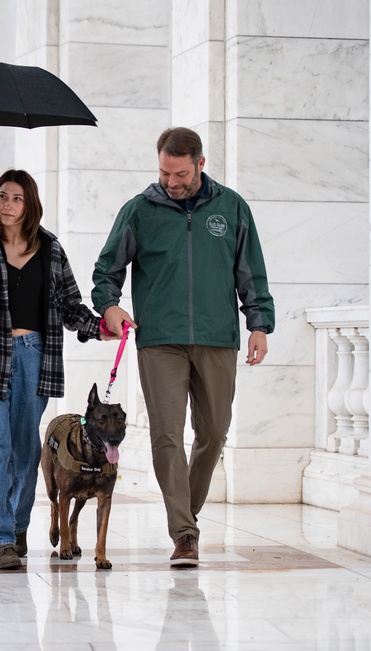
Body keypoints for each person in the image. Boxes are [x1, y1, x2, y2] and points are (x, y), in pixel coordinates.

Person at [92, 127, 275, 567]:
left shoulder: (231, 208)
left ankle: (184, 511)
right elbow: (106, 270)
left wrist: (259, 323)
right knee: (167, 437)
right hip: (160, 341)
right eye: (164, 172)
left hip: (217, 337)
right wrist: (110, 306)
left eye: (180, 174)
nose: (171, 182)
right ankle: (184, 533)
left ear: (200, 165)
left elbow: (251, 271)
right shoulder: (139, 211)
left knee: (213, 433)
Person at [0, 169, 111, 569]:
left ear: (30, 205)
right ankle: (1, 538)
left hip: (33, 355)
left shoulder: (50, 248)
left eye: (16, 198)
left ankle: (17, 524)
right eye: (2, 197)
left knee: (26, 450)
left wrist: (99, 328)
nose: (7, 205)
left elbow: (69, 304)